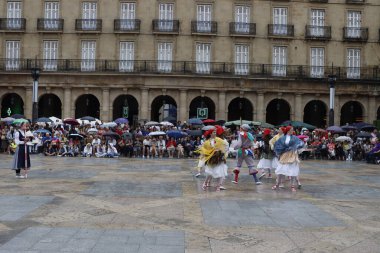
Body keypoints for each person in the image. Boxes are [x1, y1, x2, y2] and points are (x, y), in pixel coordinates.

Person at [272, 126, 304, 192]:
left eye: (293, 129)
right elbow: (277, 145)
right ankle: (277, 184)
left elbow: (301, 143)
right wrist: (282, 150)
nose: (293, 131)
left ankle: (292, 186)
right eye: (291, 130)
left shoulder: (295, 138)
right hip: (284, 155)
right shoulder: (282, 138)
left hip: (292, 155)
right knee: (281, 169)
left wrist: (296, 147)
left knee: (293, 170)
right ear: (288, 130)